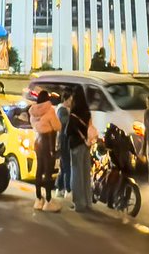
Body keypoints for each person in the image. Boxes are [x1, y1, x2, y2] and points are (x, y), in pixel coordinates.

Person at [28, 90, 62, 212]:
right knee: (48, 171)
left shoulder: (33, 112)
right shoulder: (50, 110)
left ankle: (38, 199)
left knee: (39, 169)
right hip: (48, 142)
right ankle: (48, 201)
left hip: (37, 141)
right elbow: (57, 126)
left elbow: (33, 125)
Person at [66, 85, 93, 213]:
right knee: (86, 175)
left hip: (76, 146)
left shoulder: (74, 113)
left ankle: (79, 204)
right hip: (86, 146)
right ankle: (88, 202)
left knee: (77, 175)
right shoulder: (87, 112)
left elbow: (68, 131)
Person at [54, 89, 73, 198]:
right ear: (65, 99)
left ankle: (59, 188)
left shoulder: (62, 109)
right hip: (64, 141)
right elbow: (66, 123)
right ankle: (67, 189)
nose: (71, 102)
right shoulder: (62, 110)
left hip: (62, 140)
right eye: (70, 100)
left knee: (63, 165)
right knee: (67, 166)